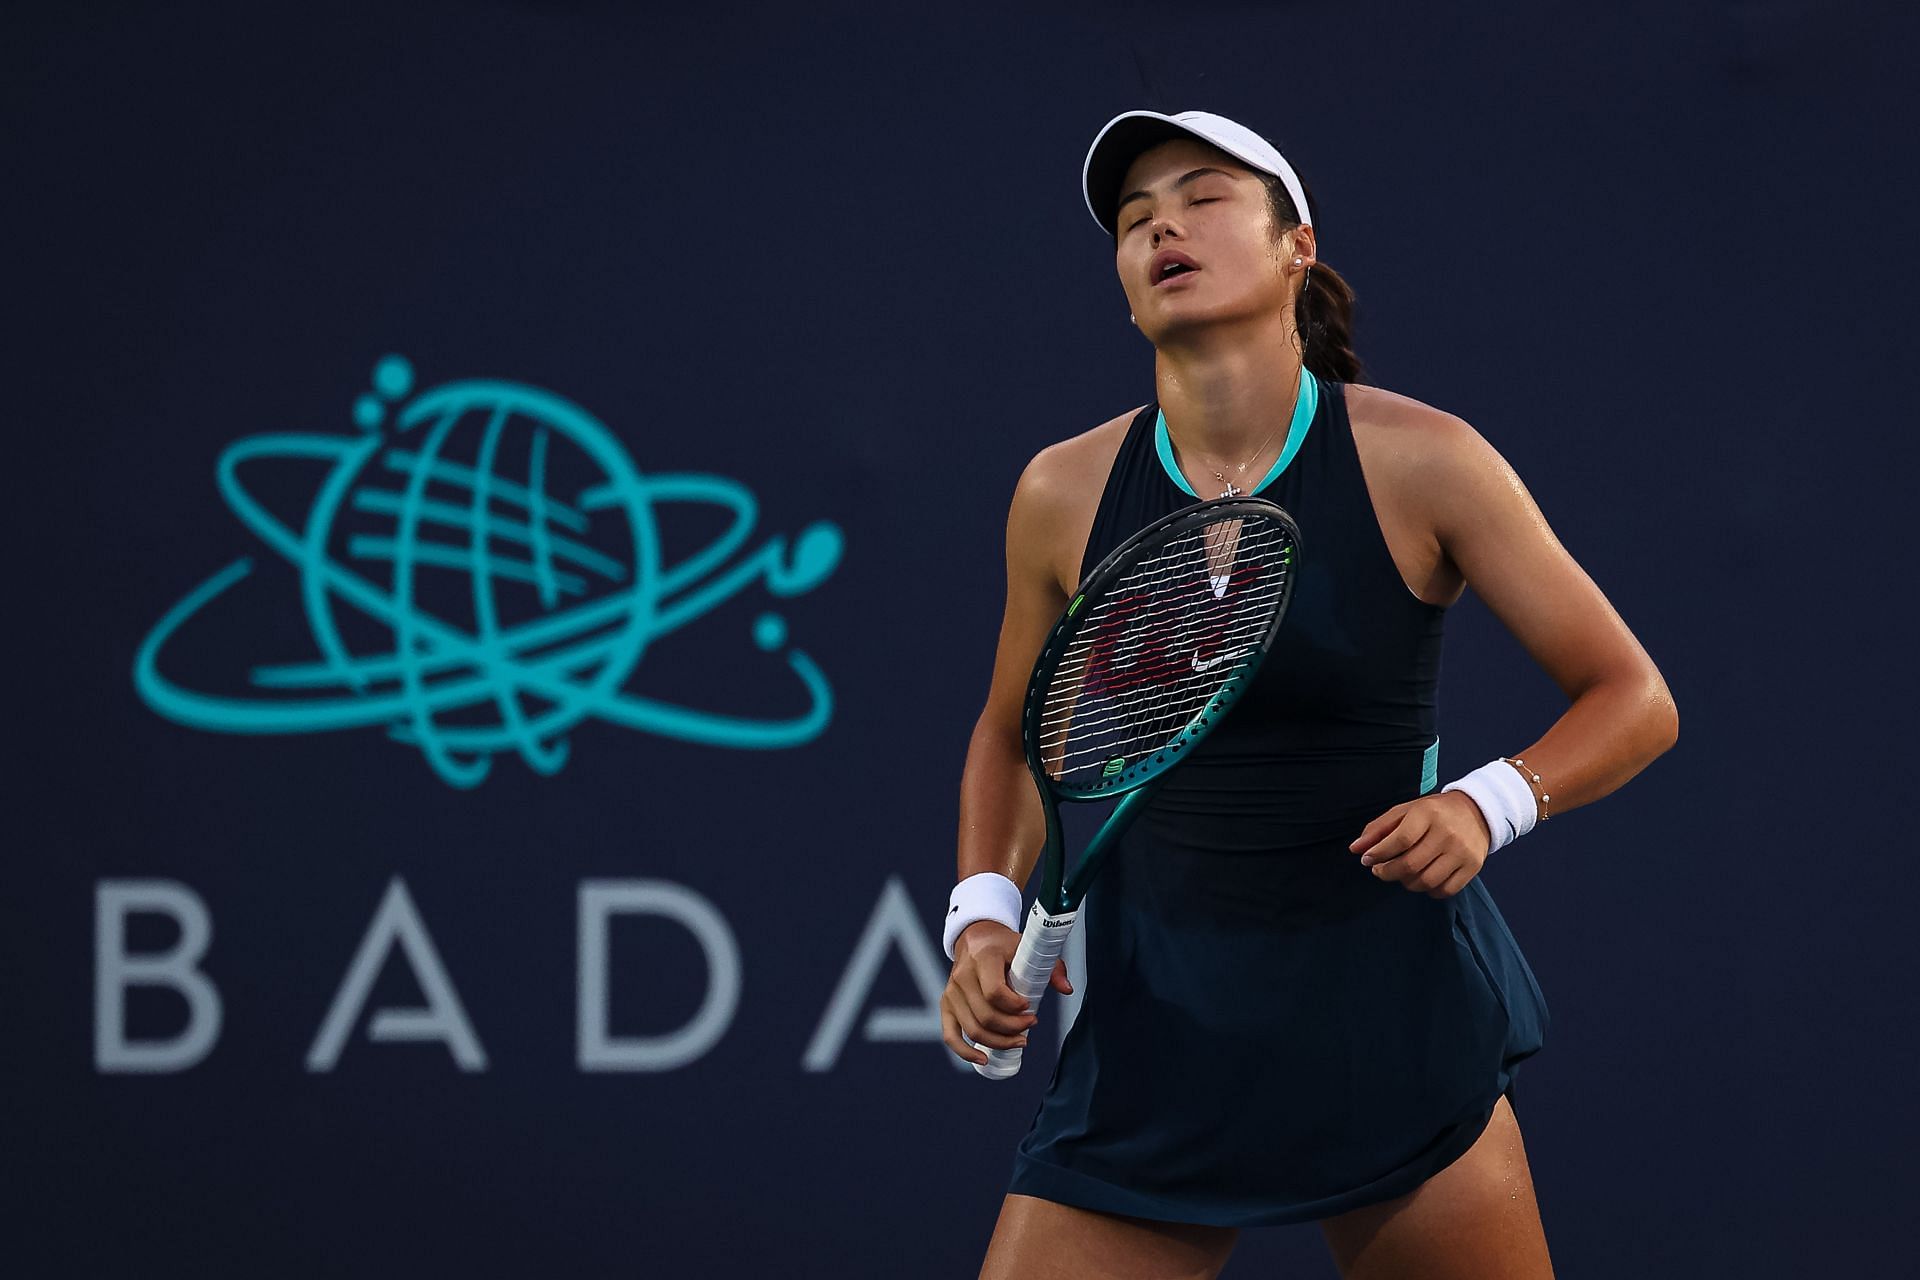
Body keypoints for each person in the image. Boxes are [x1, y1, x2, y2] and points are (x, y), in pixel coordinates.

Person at [938, 110, 1678, 1280]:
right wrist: (981, 908)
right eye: (1134, 221)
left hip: (1386, 1028)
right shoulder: (1062, 490)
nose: (1162, 227)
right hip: (1158, 1036)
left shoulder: (1424, 458)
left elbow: (1634, 696)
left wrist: (1489, 802)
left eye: (1202, 198)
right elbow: (1014, 730)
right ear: (1127, 286)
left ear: (1298, 247)